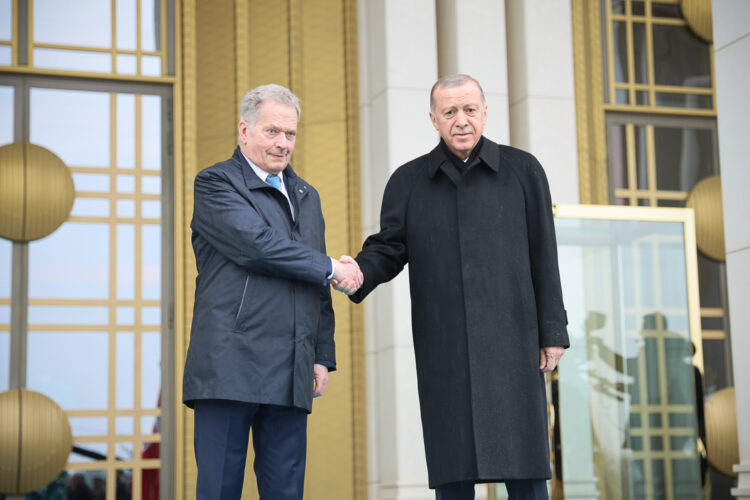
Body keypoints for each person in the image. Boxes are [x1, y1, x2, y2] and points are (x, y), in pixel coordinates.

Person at [339, 74, 570, 499]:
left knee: (526, 472)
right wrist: (358, 272)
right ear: (433, 119)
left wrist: (552, 331)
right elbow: (388, 247)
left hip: (513, 342)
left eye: (469, 109)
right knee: (453, 472)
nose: (460, 120)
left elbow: (544, 252)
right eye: (449, 112)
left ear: (485, 112)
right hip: (446, 348)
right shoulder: (408, 182)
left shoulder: (523, 170)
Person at [183, 83, 362, 500]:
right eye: (272, 131)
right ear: (244, 131)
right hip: (228, 364)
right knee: (219, 490)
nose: (282, 143)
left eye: (291, 134)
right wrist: (332, 267)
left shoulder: (307, 196)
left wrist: (321, 355)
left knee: (285, 491)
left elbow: (313, 276)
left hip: (290, 367)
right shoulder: (215, 183)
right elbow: (256, 246)